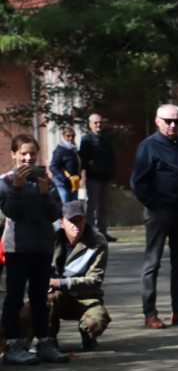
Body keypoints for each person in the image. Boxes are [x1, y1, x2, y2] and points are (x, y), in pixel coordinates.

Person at [130, 104, 178, 328]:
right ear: (157, 121)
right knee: (152, 262)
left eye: (177, 122)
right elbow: (137, 182)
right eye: (168, 121)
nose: (173, 126)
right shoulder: (148, 146)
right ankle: (150, 313)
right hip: (159, 211)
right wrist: (153, 203)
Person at [1, 133, 69, 364]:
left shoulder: (45, 181)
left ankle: (44, 342)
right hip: (17, 249)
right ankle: (13, 345)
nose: (29, 158)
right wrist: (17, 187)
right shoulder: (5, 182)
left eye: (32, 153)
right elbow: (12, 212)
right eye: (23, 154)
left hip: (42, 247)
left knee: (40, 298)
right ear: (14, 155)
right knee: (14, 298)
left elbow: (54, 214)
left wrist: (43, 192)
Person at [47, 200, 111, 350]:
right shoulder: (51, 239)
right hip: (57, 296)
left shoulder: (97, 242)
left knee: (96, 321)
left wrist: (61, 283)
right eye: (71, 221)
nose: (76, 225)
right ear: (61, 223)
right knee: (44, 301)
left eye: (80, 220)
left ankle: (88, 336)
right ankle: (48, 339)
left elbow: (95, 280)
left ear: (85, 220)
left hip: (86, 297)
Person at [80, 113, 118, 242]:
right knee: (92, 206)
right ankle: (89, 232)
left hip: (106, 178)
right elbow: (83, 159)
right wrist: (90, 165)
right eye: (95, 122)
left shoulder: (106, 140)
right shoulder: (86, 140)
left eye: (100, 122)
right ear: (90, 124)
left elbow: (112, 157)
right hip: (93, 178)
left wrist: (111, 171)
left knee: (104, 207)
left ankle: (103, 233)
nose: (98, 125)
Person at [49, 126, 82, 203]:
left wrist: (78, 175)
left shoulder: (74, 149)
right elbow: (53, 166)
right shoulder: (60, 150)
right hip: (62, 185)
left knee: (73, 208)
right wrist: (64, 179)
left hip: (73, 184)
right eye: (68, 136)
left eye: (73, 136)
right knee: (64, 208)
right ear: (63, 136)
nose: (70, 138)